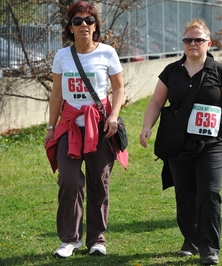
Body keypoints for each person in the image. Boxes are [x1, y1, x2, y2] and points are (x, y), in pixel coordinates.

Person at [139, 18, 222, 265]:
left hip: (213, 143)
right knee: (185, 194)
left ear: (208, 43)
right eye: (188, 40)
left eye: (198, 40)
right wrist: (147, 126)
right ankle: (190, 241)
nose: (193, 44)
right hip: (180, 144)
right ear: (183, 43)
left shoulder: (220, 72)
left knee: (210, 192)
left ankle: (210, 248)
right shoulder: (171, 71)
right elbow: (156, 102)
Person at [43, 1, 128, 258]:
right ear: (70, 27)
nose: (83, 25)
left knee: (98, 183)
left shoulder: (107, 53)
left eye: (88, 21)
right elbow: (57, 94)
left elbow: (119, 89)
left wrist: (113, 116)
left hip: (101, 127)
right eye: (77, 21)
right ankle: (69, 240)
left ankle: (96, 240)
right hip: (70, 127)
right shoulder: (62, 56)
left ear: (95, 26)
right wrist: (50, 126)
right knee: (69, 180)